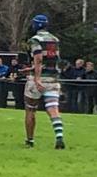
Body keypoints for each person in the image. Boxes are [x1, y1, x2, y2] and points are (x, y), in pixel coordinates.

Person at [22, 14, 67, 149]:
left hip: (38, 80)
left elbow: (39, 59)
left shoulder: (35, 40)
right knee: (53, 108)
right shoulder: (55, 40)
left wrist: (36, 78)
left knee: (30, 109)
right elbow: (52, 61)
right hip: (53, 79)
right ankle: (59, 136)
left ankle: (30, 140)